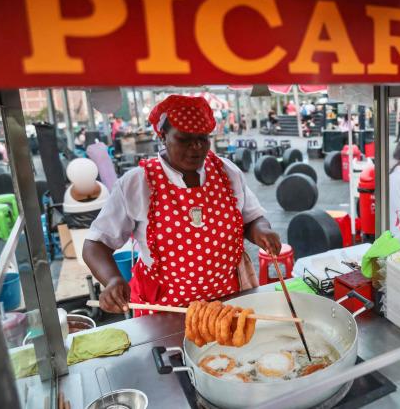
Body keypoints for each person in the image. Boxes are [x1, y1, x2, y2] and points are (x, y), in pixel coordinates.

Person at [83, 95, 282, 316]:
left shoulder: (227, 172)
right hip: (164, 307)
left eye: (202, 138)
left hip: (226, 301)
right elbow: (95, 245)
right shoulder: (137, 183)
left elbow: (251, 218)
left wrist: (261, 231)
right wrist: (112, 279)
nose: (196, 147)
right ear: (163, 136)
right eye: (184, 139)